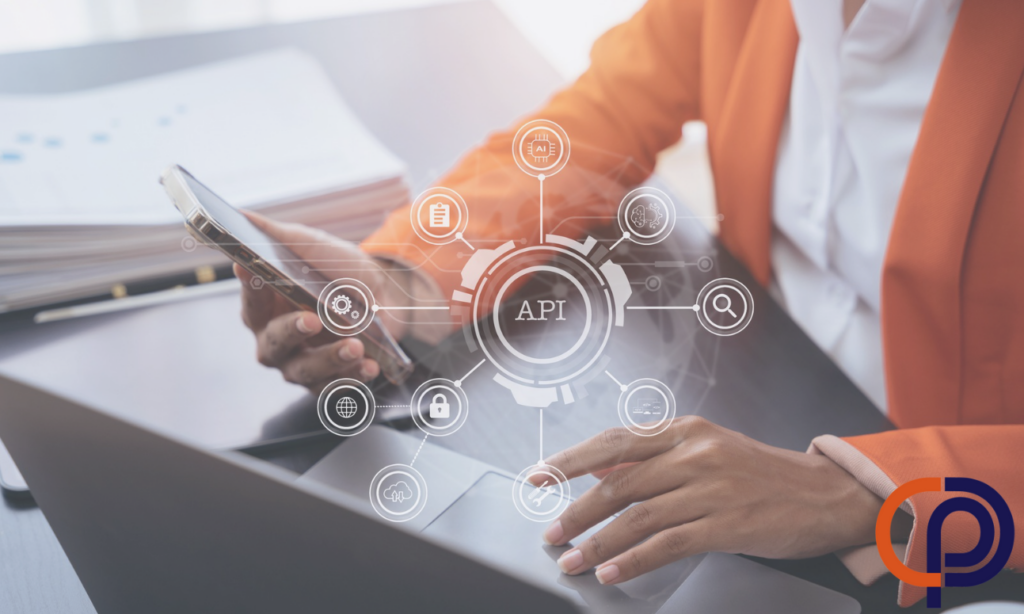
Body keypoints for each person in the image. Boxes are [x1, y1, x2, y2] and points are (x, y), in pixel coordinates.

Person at [236, 0, 1024, 606]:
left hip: (959, 533)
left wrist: (861, 492)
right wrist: (408, 281)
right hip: (762, 387)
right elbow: (600, 120)